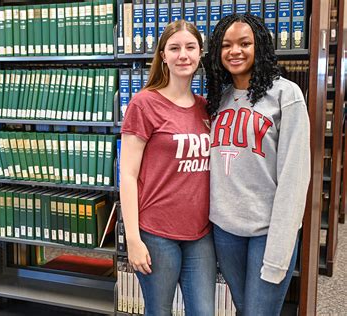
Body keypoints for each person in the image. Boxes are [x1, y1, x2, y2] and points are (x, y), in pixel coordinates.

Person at [205, 13, 311, 316]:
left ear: (260, 46)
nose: (234, 51)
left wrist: (280, 249)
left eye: (244, 43)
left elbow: (294, 176)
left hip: (268, 232)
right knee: (244, 310)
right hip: (226, 231)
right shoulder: (219, 97)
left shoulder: (285, 94)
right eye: (226, 45)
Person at [120, 19, 216, 316]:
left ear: (200, 53)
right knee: (158, 311)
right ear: (163, 55)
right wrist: (133, 239)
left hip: (200, 234)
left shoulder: (207, 107)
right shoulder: (144, 104)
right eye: (174, 48)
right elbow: (128, 175)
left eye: (190, 47)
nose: (183, 55)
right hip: (156, 233)